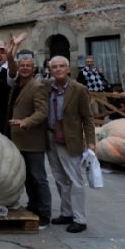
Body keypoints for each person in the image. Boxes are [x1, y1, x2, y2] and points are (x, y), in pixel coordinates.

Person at [46, 55, 96, 234]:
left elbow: (87, 117)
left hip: (71, 139)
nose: (58, 69)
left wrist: (91, 142)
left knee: (75, 180)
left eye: (61, 66)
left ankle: (80, 219)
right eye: (54, 67)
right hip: (51, 137)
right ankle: (66, 213)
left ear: (68, 69)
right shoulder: (47, 88)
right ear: (50, 70)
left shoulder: (78, 89)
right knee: (60, 179)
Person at [5, 40, 51, 228]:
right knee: (27, 177)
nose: (24, 68)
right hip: (17, 139)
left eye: (28, 66)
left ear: (34, 69)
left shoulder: (37, 86)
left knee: (38, 177)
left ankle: (45, 214)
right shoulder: (16, 84)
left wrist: (25, 122)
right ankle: (33, 206)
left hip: (32, 140)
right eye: (22, 65)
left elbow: (42, 112)